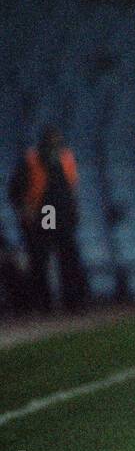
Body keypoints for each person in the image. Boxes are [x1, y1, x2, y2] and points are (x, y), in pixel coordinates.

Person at [7, 127, 87, 313]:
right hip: (44, 213)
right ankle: (43, 303)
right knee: (41, 258)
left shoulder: (66, 157)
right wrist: (25, 211)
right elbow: (16, 190)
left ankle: (73, 301)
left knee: (68, 257)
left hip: (63, 214)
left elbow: (72, 186)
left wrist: (74, 209)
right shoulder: (31, 159)